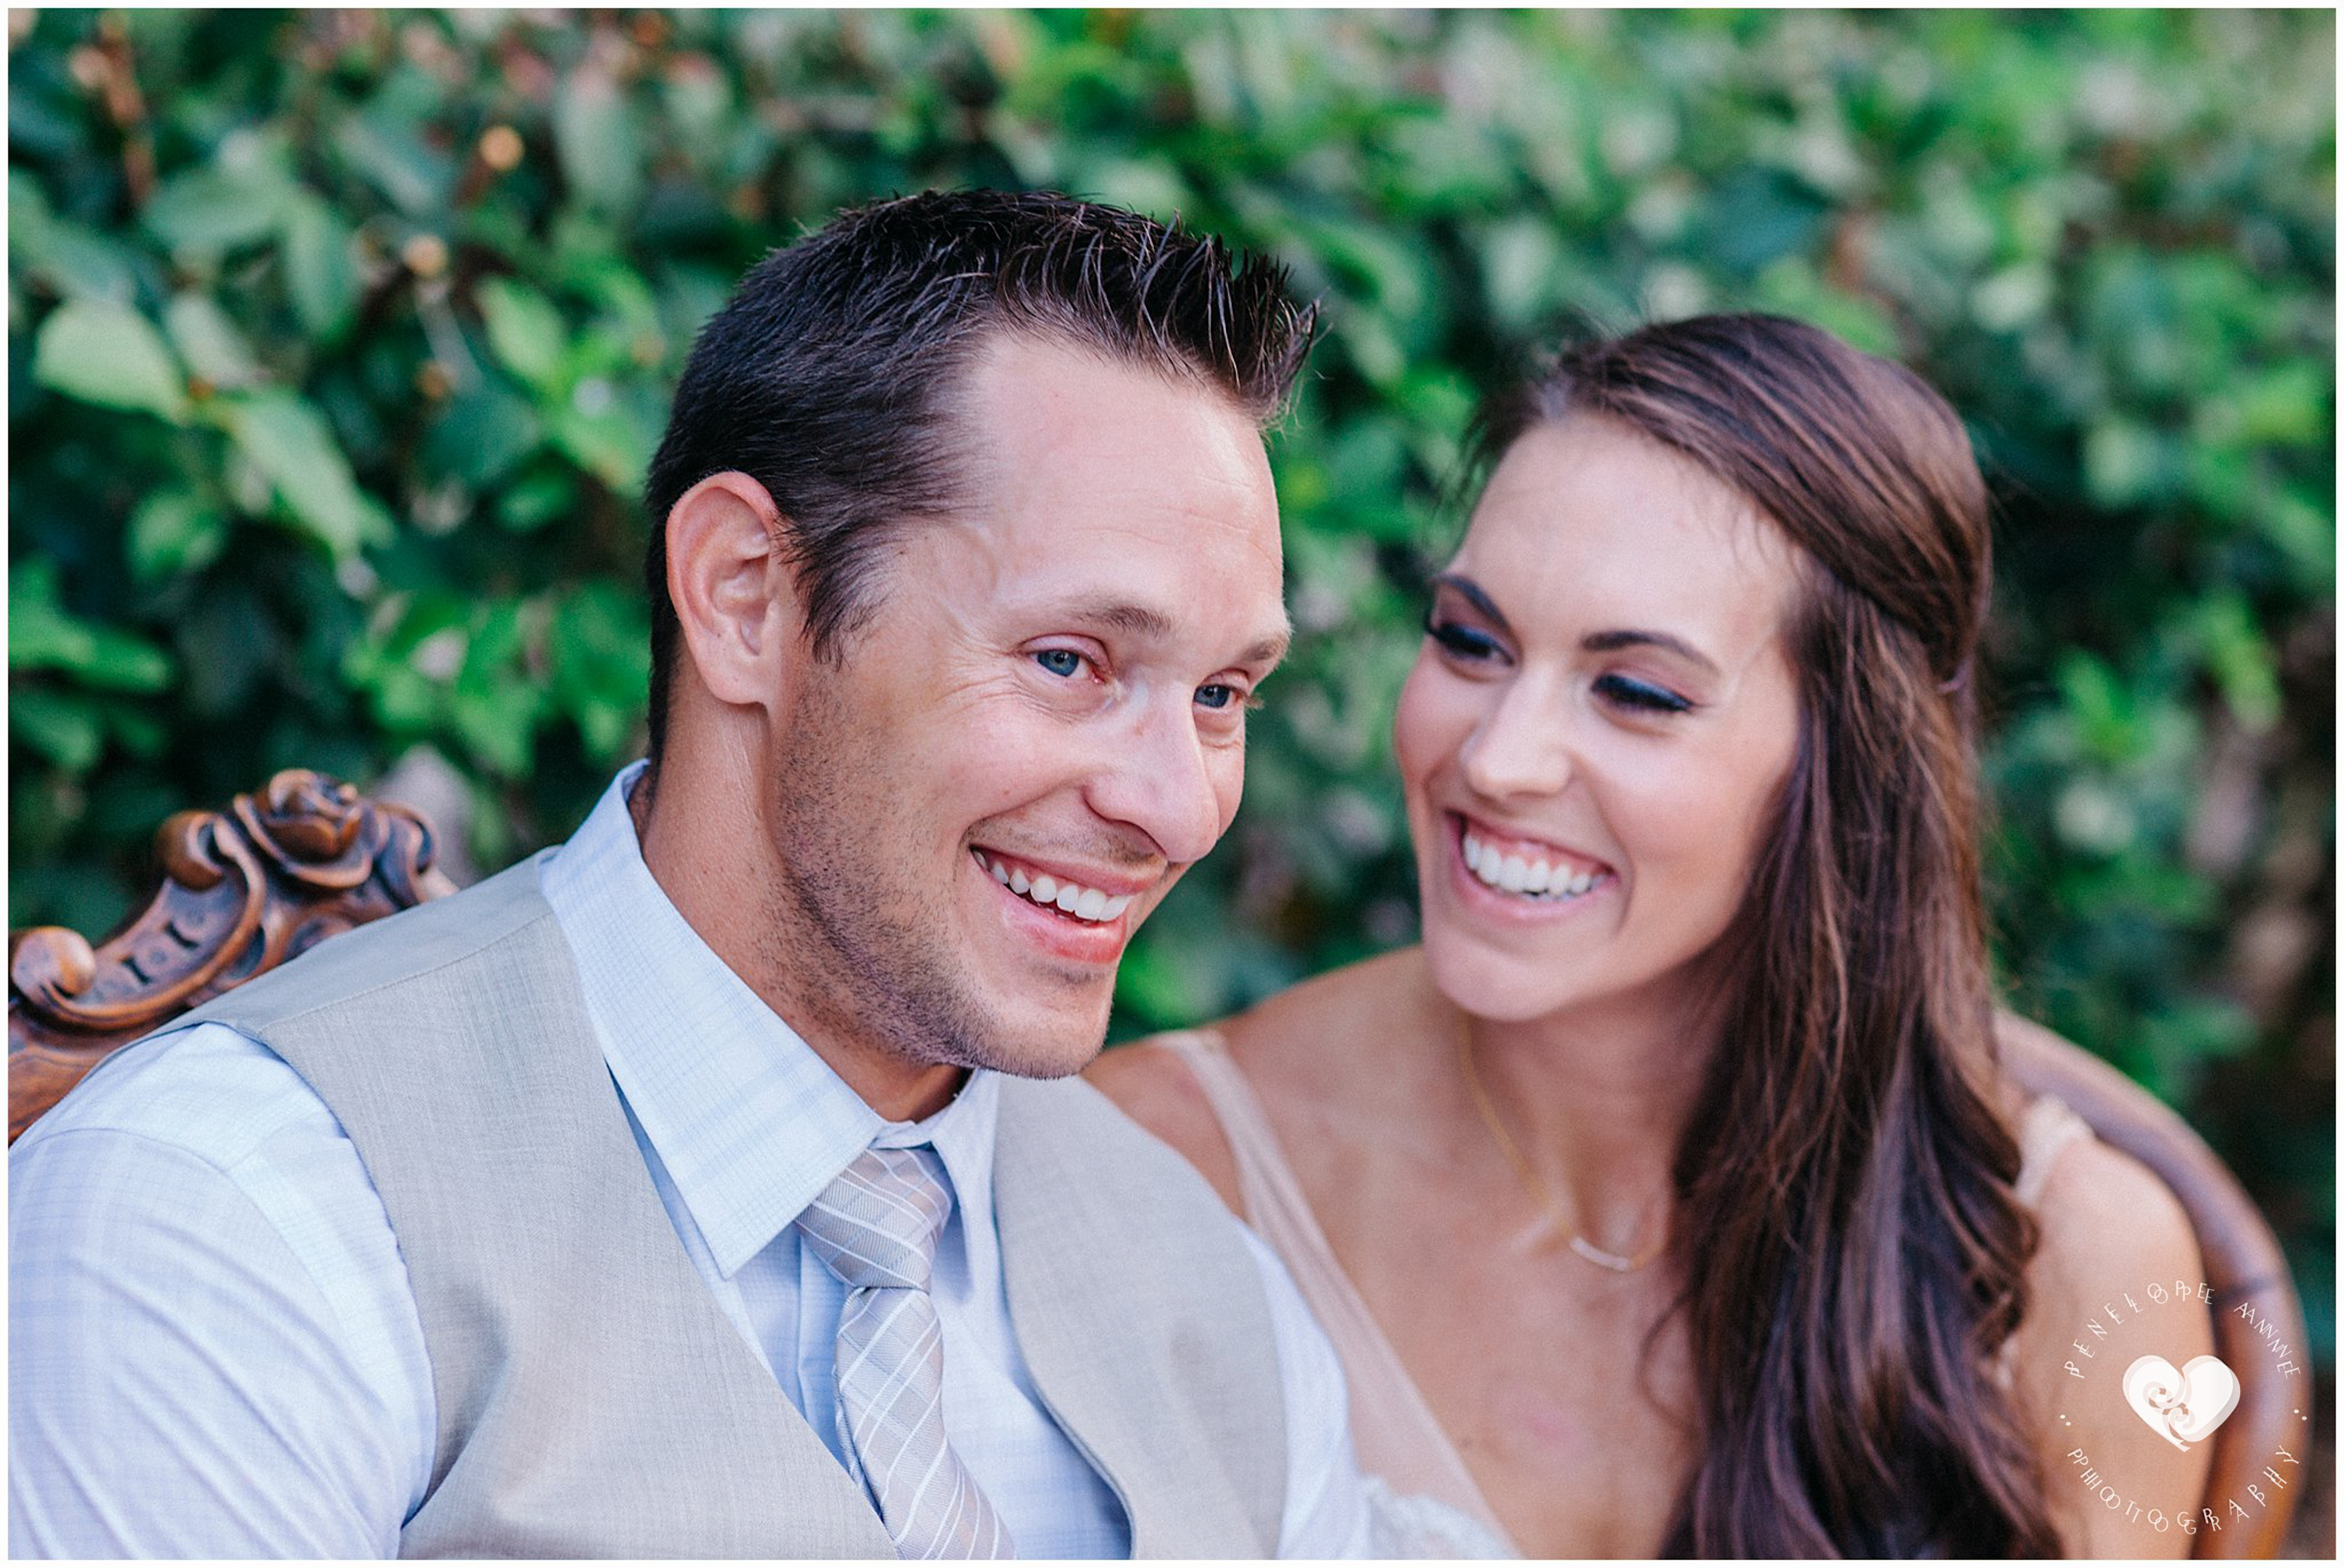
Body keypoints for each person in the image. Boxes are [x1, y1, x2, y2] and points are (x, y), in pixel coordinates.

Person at [10, 189, 1377, 1559]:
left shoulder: (1227, 1310)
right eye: (1069, 662)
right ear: (744, 596)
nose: (1178, 808)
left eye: (1219, 693)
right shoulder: (230, 1219)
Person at [1092, 314, 2216, 1557]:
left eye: (1637, 692)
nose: (1499, 761)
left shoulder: (2077, 1264)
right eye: (1472, 641)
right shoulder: (1167, 1163)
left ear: (1845, 766)